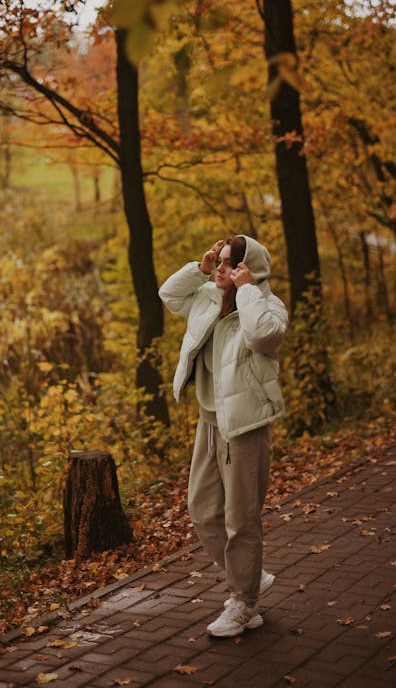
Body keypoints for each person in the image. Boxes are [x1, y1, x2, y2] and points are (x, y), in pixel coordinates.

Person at [159, 234, 288, 637]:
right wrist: (200, 266)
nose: (219, 268)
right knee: (202, 511)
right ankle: (250, 575)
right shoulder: (206, 296)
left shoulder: (265, 305)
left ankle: (243, 603)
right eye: (219, 261)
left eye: (227, 263)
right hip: (210, 420)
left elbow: (263, 337)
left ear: (245, 270)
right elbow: (169, 295)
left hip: (246, 426)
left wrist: (248, 289)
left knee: (241, 520)